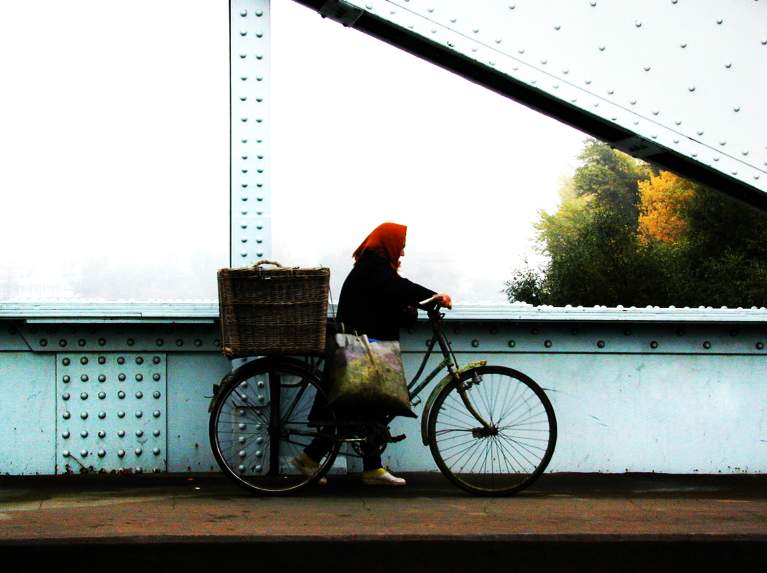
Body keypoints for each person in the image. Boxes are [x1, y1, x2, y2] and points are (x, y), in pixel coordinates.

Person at [292, 222, 452, 486]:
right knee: (360, 406)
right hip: (361, 349)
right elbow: (401, 289)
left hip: (363, 346)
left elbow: (390, 296)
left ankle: (368, 468)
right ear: (387, 244)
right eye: (400, 247)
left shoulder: (372, 268)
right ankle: (316, 459)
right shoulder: (373, 268)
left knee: (366, 408)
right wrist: (434, 296)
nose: (401, 253)